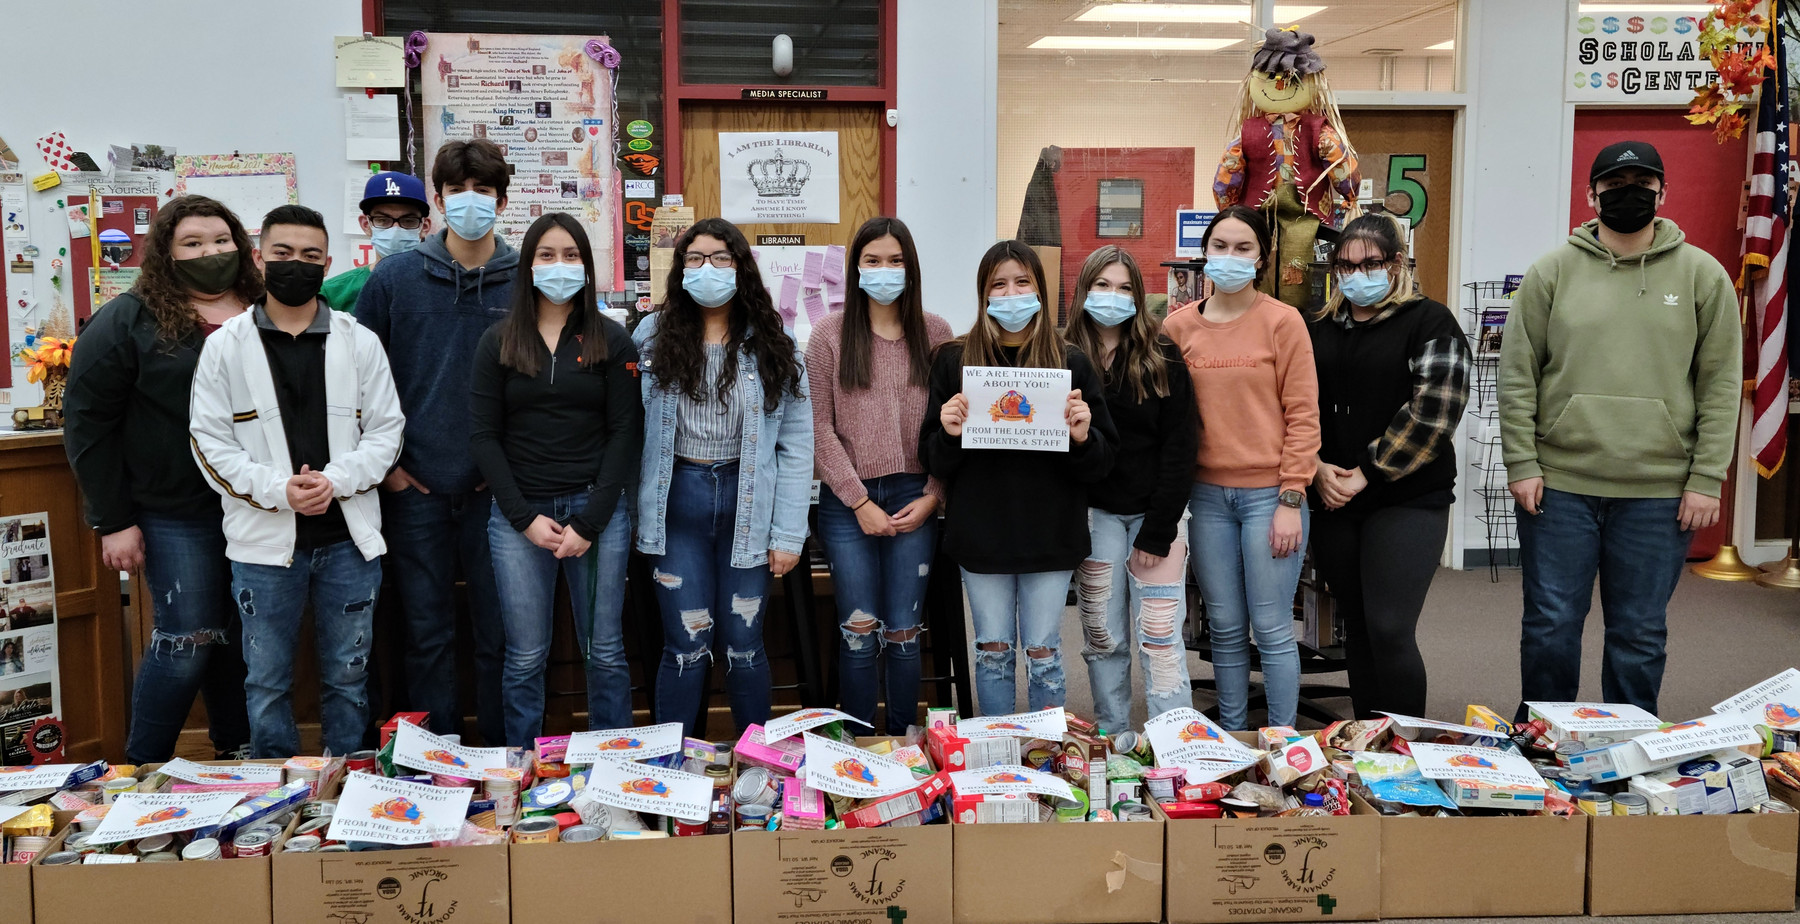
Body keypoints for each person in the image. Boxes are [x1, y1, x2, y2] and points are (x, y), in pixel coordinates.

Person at [1500, 140, 1739, 718]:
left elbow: (1721, 383)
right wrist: (1522, 463)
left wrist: (1708, 476)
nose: (1629, 194)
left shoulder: (1703, 276)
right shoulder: (1551, 272)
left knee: (1638, 634)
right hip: (1560, 487)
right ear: (1591, 194)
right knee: (1551, 625)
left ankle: (1627, 752)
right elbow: (1518, 373)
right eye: (1614, 184)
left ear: (1662, 192)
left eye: (1642, 183)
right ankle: (1543, 745)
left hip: (1659, 493)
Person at [188, 205, 403, 758]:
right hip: (262, 546)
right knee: (265, 682)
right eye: (282, 253)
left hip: (349, 541)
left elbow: (387, 433)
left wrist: (335, 482)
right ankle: (277, 798)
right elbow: (208, 443)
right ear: (259, 259)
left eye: (310, 256)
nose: (296, 265)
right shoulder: (225, 346)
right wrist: (278, 491)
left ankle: (349, 788)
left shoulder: (360, 342)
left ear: (328, 263)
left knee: (349, 679)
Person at [63, 194, 255, 764]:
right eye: (192, 243)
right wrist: (113, 520)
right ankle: (138, 766)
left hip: (259, 506)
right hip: (176, 511)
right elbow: (87, 421)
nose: (210, 252)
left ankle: (239, 751)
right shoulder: (129, 318)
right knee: (188, 640)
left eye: (220, 240)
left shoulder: (266, 306)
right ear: (166, 255)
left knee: (236, 641)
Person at [355, 139, 516, 742]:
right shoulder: (395, 279)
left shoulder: (525, 276)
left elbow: (538, 383)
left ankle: (505, 760)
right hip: (413, 489)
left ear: (501, 199)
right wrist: (389, 468)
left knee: (498, 633)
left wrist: (506, 468)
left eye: (482, 190)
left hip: (496, 493)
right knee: (425, 633)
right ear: (440, 200)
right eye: (457, 190)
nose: (469, 201)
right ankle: (437, 761)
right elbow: (357, 380)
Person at [921, 240, 1116, 715]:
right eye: (999, 285)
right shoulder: (953, 360)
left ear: (1040, 290)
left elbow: (1102, 465)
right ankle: (995, 760)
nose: (1011, 293)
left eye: (1022, 282)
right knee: (992, 651)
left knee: (1044, 652)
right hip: (981, 532)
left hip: (1050, 531)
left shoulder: (1071, 363)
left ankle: (1045, 760)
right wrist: (947, 432)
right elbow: (933, 459)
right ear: (984, 295)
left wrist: (1083, 437)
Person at [635, 218, 813, 737]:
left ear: (740, 269)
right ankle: (670, 773)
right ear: (679, 268)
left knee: (742, 642)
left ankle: (753, 767)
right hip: (676, 504)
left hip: (748, 502)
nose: (706, 269)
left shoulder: (774, 344)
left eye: (720, 258)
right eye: (694, 259)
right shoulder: (651, 335)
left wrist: (787, 535)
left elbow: (797, 445)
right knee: (687, 645)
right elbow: (626, 427)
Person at [470, 213, 641, 744]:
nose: (559, 265)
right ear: (527, 266)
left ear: (587, 268)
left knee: (606, 651)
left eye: (571, 255)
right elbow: (483, 437)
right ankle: (523, 768)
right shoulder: (497, 341)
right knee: (524, 656)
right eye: (546, 255)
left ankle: (613, 767)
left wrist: (590, 522)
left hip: (597, 517)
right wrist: (522, 517)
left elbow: (625, 436)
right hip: (519, 519)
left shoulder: (613, 341)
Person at [1307, 213, 1470, 719]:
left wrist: (1365, 471)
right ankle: (1369, 745)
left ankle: (1406, 747)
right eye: (1345, 265)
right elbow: (1295, 404)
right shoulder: (1318, 327)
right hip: (1333, 496)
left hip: (1406, 499)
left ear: (1396, 264)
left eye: (1370, 262)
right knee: (1356, 625)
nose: (1357, 274)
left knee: (1390, 627)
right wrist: (1313, 467)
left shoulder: (1430, 321)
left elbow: (1434, 412)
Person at [1164, 206, 1319, 730]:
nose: (1230, 258)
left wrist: (1291, 498)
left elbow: (1303, 416)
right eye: (1221, 247)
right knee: (1226, 627)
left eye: (1243, 248)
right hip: (1206, 498)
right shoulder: (1177, 327)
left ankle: (1280, 741)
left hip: (1271, 498)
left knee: (1272, 626)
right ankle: (1231, 739)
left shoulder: (1283, 321)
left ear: (1262, 257)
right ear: (1204, 255)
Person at [807, 217, 953, 734]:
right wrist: (858, 501)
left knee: (905, 633)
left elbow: (950, 425)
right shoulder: (828, 335)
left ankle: (902, 742)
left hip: (916, 495)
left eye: (896, 261)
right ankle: (860, 748)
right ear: (856, 268)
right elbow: (818, 429)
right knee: (858, 629)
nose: (885, 270)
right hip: (849, 504)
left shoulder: (936, 333)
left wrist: (935, 495)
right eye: (873, 260)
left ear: (911, 269)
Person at [1065, 245, 1197, 734]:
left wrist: (1159, 529)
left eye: (1124, 288)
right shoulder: (1062, 357)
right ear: (1083, 291)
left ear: (1139, 298)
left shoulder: (1162, 355)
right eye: (1102, 285)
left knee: (1160, 635)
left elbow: (1181, 447)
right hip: (1094, 515)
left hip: (1155, 515)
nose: (1112, 297)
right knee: (1102, 635)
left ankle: (1174, 746)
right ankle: (1112, 739)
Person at [320, 171, 433, 312]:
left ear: (425, 226)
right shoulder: (334, 294)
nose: (395, 229)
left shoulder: (443, 288)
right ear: (366, 225)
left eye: (408, 221)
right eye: (383, 220)